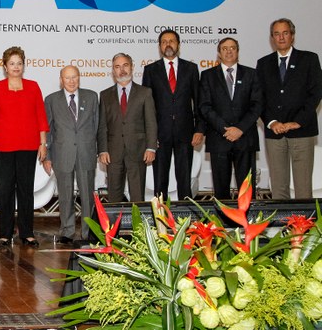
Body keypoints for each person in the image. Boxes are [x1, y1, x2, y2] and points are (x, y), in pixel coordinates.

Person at [0, 46, 48, 248]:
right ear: (4, 66)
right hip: (2, 147)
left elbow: (41, 117)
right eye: (12, 63)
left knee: (25, 190)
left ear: (24, 65)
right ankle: (5, 234)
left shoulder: (33, 86)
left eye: (19, 63)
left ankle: (27, 233)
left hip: (29, 146)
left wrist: (43, 143)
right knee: (5, 190)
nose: (16, 67)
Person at [256, 18, 322, 200]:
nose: (281, 37)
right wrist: (271, 122)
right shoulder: (263, 63)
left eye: (285, 33)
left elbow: (315, 94)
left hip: (302, 131)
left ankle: (304, 228)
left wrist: (297, 121)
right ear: (272, 38)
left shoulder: (309, 59)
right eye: (277, 34)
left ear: (292, 36)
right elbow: (259, 98)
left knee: (303, 188)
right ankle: (280, 227)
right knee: (278, 187)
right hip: (274, 132)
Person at [141, 29, 205, 200]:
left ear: (178, 44)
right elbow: (146, 107)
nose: (168, 44)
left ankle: (185, 218)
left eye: (172, 41)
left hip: (186, 133)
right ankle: (160, 220)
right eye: (164, 41)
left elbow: (198, 101)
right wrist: (150, 136)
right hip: (160, 134)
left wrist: (199, 129)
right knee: (160, 181)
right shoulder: (150, 70)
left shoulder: (191, 68)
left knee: (184, 180)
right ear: (160, 46)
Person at [199, 37, 263, 199]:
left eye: (232, 48)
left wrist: (240, 128)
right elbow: (204, 106)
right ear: (219, 53)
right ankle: (223, 223)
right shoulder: (207, 76)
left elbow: (257, 105)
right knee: (221, 190)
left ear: (238, 51)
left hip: (245, 137)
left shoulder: (251, 74)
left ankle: (248, 222)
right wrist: (224, 129)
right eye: (225, 48)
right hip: (219, 138)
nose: (229, 51)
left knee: (247, 189)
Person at [43, 65, 98, 244]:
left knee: (87, 195)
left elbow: (96, 126)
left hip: (85, 152)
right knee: (65, 195)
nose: (72, 81)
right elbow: (48, 131)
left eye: (75, 77)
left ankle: (87, 232)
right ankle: (67, 231)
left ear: (79, 78)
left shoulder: (91, 97)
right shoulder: (51, 100)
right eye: (67, 78)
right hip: (62, 154)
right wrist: (48, 156)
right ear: (61, 80)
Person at [98, 53, 157, 202]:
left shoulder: (145, 92)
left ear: (131, 67)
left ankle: (138, 226)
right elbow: (102, 125)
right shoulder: (105, 95)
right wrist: (103, 149)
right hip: (113, 153)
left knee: (137, 196)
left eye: (125, 65)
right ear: (113, 70)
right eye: (117, 67)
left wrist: (151, 147)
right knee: (114, 196)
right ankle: (114, 225)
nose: (121, 70)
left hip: (138, 151)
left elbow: (151, 122)